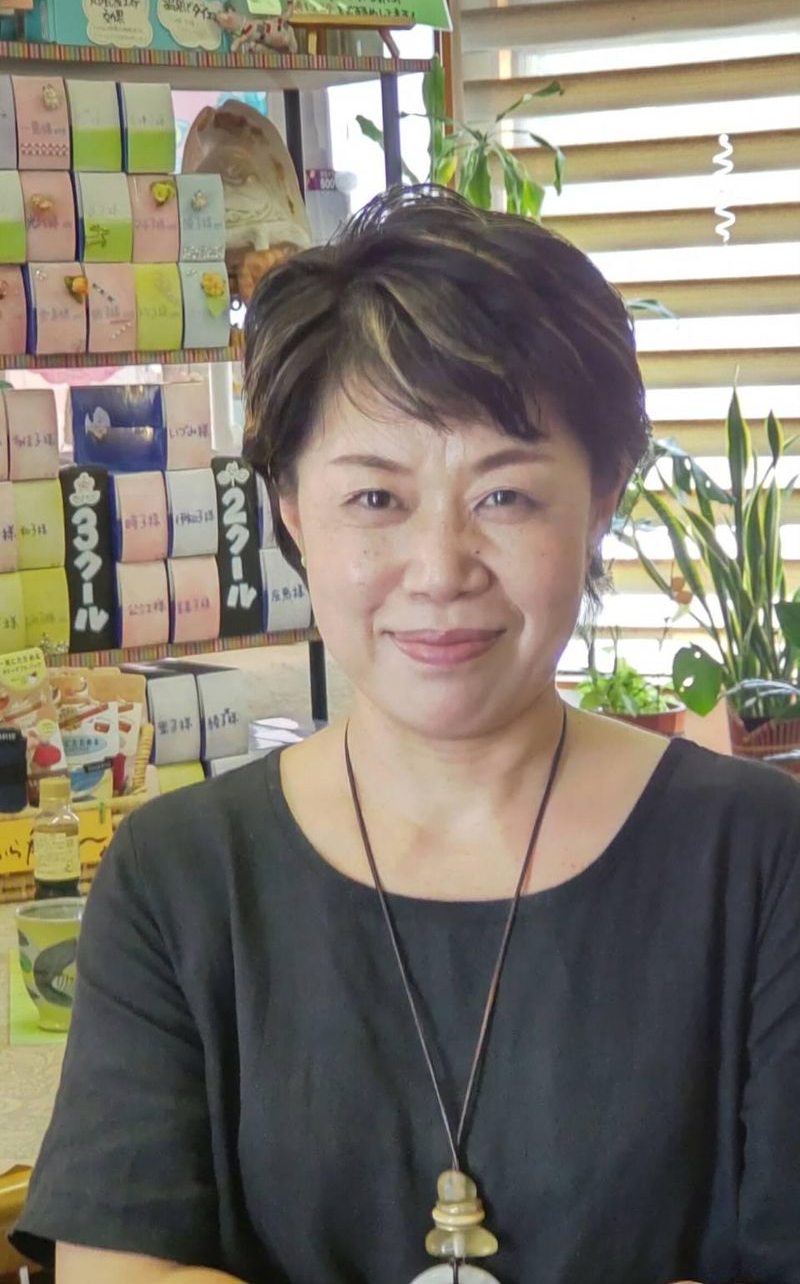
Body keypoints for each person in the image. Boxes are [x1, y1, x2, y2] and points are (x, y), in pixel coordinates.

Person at [12, 187, 800, 1284]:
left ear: (600, 501)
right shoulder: (180, 878)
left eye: (506, 497)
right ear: (292, 509)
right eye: (376, 500)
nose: (439, 570)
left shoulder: (763, 856)